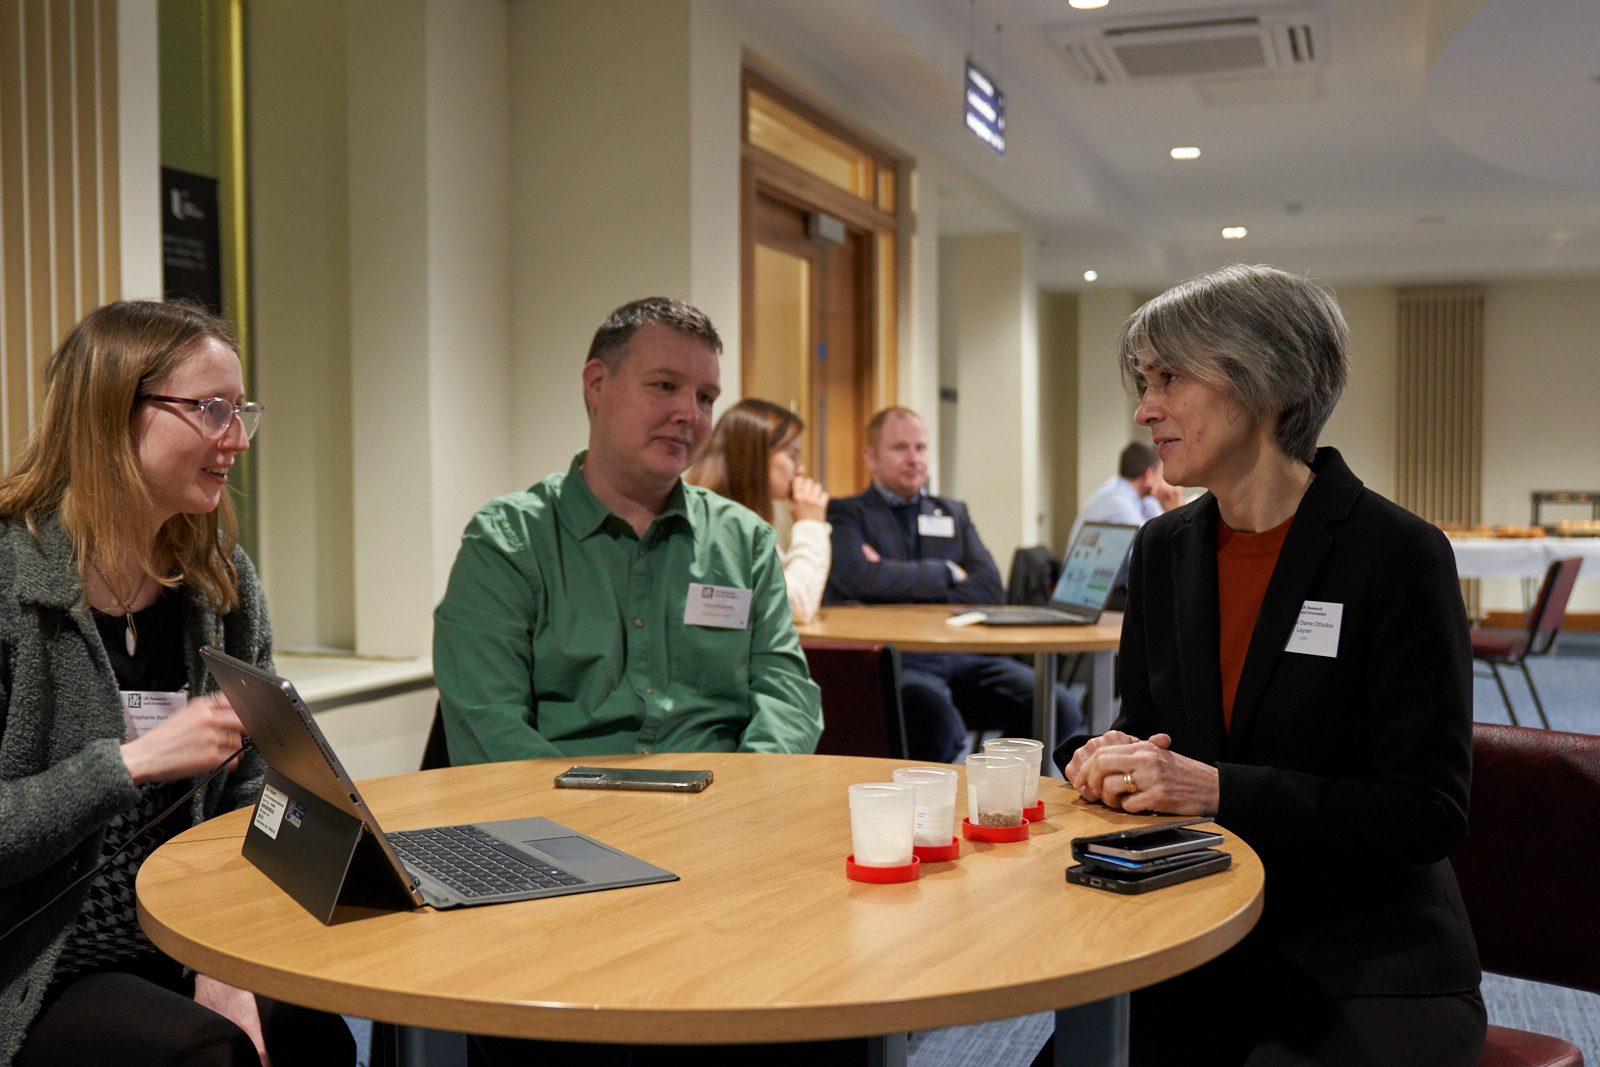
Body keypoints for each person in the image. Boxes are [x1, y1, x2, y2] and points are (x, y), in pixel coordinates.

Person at [1061, 265, 1485, 1066]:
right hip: (1193, 925)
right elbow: (1146, 727)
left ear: (1268, 380)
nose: (1145, 407)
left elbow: (1426, 810)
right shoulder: (1162, 549)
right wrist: (1108, 757)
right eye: (1145, 381)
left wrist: (1218, 788)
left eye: (1170, 377)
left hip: (1362, 954)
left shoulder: (1395, 553)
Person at [1, 301, 355, 1067]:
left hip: (184, 937)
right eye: (210, 409)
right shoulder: (10, 580)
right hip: (36, 960)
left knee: (319, 1033)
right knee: (206, 1054)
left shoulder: (220, 585)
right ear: (110, 412)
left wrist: (223, 959)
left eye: (241, 410)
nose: (235, 439)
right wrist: (129, 764)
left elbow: (256, 796)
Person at [433, 298, 823, 767]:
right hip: (555, 819)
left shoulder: (745, 541)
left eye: (705, 397)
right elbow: (488, 728)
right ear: (597, 385)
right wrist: (591, 818)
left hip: (720, 814)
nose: (690, 414)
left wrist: (745, 800)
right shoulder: (508, 541)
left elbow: (788, 701)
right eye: (664, 386)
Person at [823, 406, 1081, 763]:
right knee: (936, 723)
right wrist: (946, 571)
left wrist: (890, 576)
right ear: (871, 456)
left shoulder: (952, 513)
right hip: (904, 660)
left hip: (964, 655)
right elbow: (858, 579)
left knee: (1059, 706)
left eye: (921, 448)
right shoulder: (847, 513)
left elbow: (990, 588)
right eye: (899, 448)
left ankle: (997, 793)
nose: (914, 458)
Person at [688, 399, 831, 624]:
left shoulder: (744, 517)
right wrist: (810, 525)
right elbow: (796, 605)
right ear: (756, 456)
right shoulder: (718, 521)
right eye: (792, 455)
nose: (800, 468)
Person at [1065, 440, 1182, 549]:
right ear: (1149, 475)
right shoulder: (1116, 500)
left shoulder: (1144, 499)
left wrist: (1172, 511)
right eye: (1161, 472)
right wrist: (1177, 513)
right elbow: (1150, 549)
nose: (1164, 480)